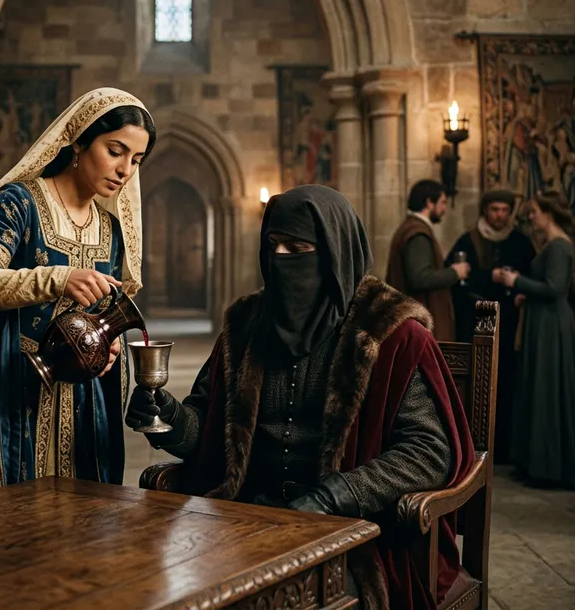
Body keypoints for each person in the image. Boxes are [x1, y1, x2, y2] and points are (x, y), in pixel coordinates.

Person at [128, 186, 475, 608]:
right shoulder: (246, 326)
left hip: (352, 532)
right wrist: (168, 418)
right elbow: (210, 427)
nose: (280, 258)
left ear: (333, 252)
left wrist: (334, 497)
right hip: (245, 516)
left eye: (296, 248)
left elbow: (428, 450)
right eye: (273, 245)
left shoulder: (391, 332)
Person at [0, 88, 156, 504]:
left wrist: (109, 346)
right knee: (11, 521)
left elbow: (105, 309)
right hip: (15, 392)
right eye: (115, 151)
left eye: (136, 160)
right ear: (79, 141)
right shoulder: (20, 203)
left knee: (82, 523)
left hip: (82, 408)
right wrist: (57, 278)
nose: (125, 170)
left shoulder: (111, 229)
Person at [445, 189, 536, 463]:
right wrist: (489, 276)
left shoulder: (520, 242)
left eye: (505, 210)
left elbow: (533, 277)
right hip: (476, 323)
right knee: (478, 384)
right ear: (486, 210)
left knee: (508, 383)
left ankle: (505, 448)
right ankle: (475, 447)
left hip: (510, 325)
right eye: (495, 209)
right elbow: (455, 280)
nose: (500, 216)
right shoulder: (469, 240)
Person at [494, 190, 575, 489]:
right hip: (542, 321)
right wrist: (526, 294)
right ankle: (535, 463)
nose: (530, 217)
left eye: (534, 212)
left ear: (549, 214)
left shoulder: (559, 246)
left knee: (547, 390)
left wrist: (517, 281)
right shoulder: (552, 245)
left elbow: (555, 288)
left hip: (551, 326)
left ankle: (550, 467)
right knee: (537, 388)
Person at [386, 179, 469, 341]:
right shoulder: (417, 233)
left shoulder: (413, 228)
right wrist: (455, 272)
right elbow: (420, 277)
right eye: (443, 202)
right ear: (430, 202)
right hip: (418, 325)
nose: (445, 209)